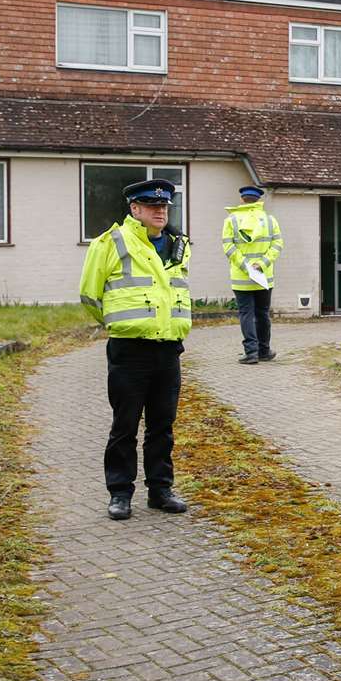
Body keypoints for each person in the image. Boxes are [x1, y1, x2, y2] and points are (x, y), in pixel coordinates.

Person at [78, 179, 193, 520]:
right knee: (125, 424)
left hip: (169, 348)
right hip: (129, 349)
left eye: (164, 206)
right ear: (135, 209)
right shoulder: (110, 242)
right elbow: (90, 296)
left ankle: (160, 490)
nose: (160, 211)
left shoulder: (179, 245)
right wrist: (122, 323)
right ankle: (120, 493)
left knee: (162, 425)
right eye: (152, 206)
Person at [222, 183, 283, 365]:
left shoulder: (231, 220)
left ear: (242, 199)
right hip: (264, 277)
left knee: (246, 313)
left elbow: (228, 246)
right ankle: (264, 351)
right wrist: (262, 263)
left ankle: (251, 353)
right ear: (259, 200)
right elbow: (277, 245)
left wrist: (245, 265)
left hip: (241, 277)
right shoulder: (270, 221)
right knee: (263, 313)